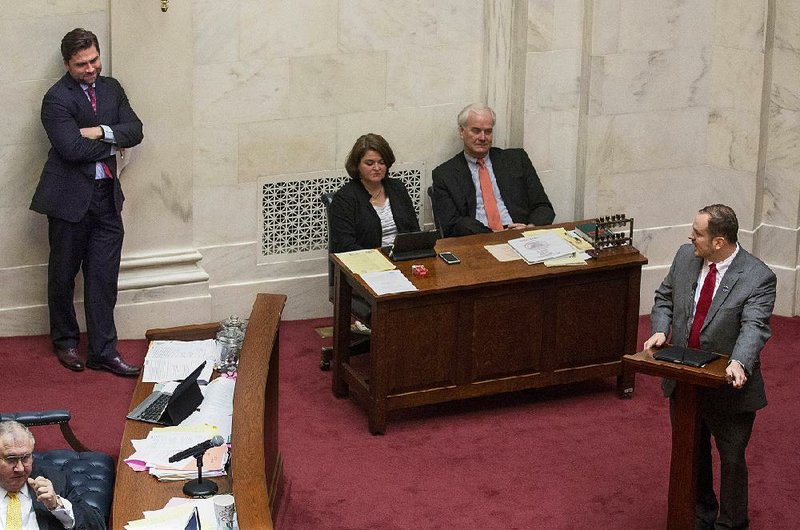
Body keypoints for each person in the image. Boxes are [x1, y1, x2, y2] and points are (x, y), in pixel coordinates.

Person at [643, 204, 776, 529]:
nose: (691, 237)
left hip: (728, 388)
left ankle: (731, 523)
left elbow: (754, 326)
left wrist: (739, 362)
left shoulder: (758, 277)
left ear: (718, 241)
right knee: (693, 452)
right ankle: (701, 515)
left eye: (698, 233)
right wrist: (661, 329)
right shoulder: (685, 257)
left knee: (731, 460)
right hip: (685, 380)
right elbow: (664, 297)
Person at [30, 28, 143, 377]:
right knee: (63, 275)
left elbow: (136, 130)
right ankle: (65, 342)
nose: (91, 68)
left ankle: (103, 352)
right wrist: (115, 139)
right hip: (68, 200)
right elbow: (70, 149)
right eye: (82, 64)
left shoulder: (112, 88)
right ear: (68, 64)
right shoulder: (56, 98)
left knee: (103, 277)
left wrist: (98, 131)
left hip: (107, 198)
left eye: (94, 60)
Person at [431, 103, 554, 237]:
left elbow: (543, 207)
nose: (483, 138)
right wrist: (494, 235)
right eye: (476, 131)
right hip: (478, 240)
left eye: (488, 131)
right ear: (462, 132)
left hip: (522, 236)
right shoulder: (444, 174)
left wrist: (529, 228)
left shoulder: (517, 160)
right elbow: (452, 224)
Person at [0, 420, 105, 530]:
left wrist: (57, 505)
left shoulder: (55, 480)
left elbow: (97, 525)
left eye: (26, 458)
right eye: (11, 459)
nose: (20, 468)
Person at [329, 133, 420, 253]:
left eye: (381, 162)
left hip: (402, 257)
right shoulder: (345, 198)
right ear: (357, 165)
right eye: (370, 163)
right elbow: (344, 246)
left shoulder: (397, 188)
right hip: (367, 263)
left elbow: (414, 232)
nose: (377, 168)